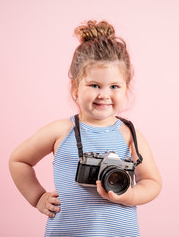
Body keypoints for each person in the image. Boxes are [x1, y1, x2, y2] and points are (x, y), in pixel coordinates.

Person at [9, 20, 162, 236]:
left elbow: (152, 182)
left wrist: (129, 196)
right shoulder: (61, 131)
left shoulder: (130, 135)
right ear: (75, 87)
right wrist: (38, 198)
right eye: (94, 85)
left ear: (126, 87)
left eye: (114, 86)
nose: (104, 94)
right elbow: (19, 160)